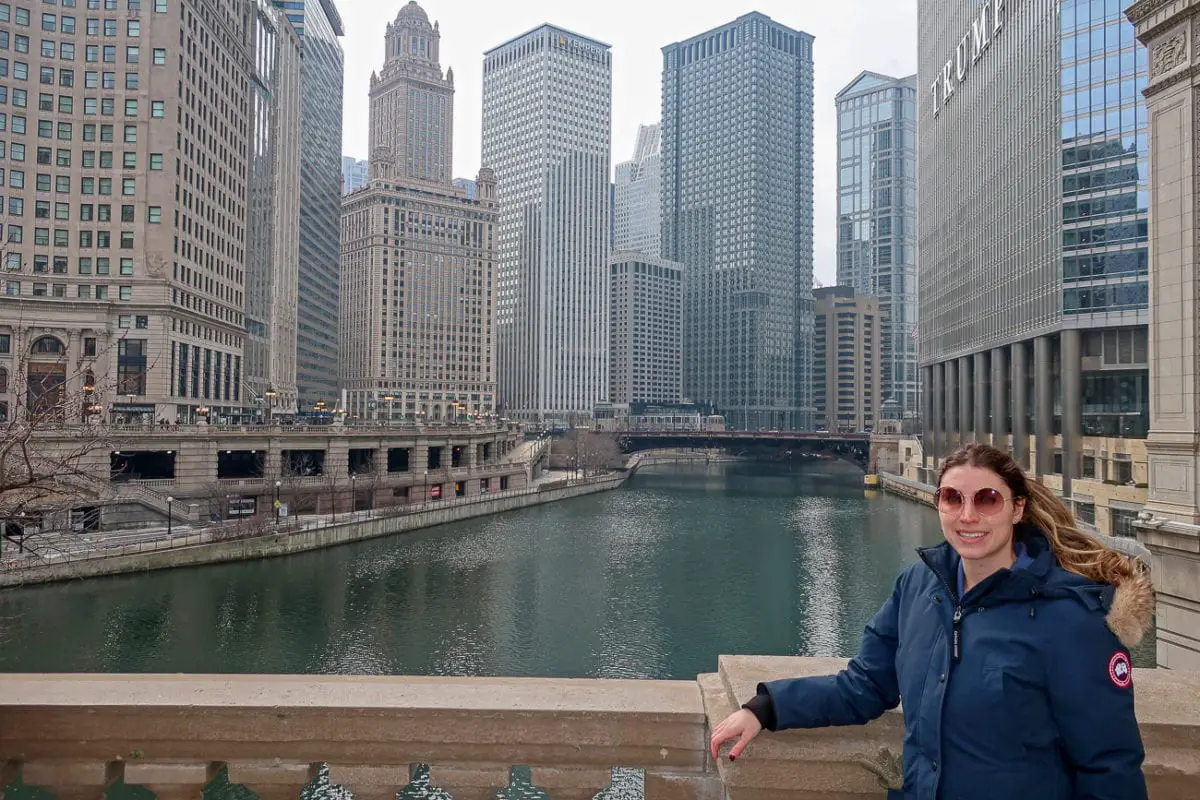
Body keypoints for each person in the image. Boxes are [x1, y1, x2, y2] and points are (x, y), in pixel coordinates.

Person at [710, 442, 1153, 800]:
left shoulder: (1072, 618)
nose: (968, 515)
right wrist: (766, 708)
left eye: (987, 499)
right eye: (951, 498)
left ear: (1017, 509)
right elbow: (865, 686)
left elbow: (1109, 767)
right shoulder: (919, 585)